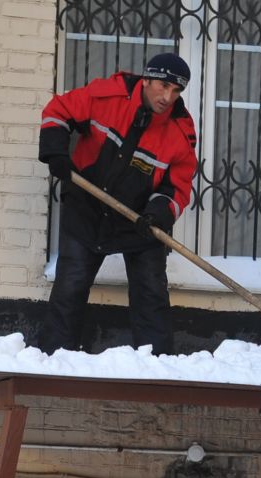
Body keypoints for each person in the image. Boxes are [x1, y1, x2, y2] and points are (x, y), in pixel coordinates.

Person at [39, 51, 198, 356]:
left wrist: (157, 212)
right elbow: (59, 110)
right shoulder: (109, 96)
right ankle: (52, 361)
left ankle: (157, 368)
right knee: (70, 285)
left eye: (176, 91)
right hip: (86, 207)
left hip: (138, 222)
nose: (168, 97)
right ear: (147, 78)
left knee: (151, 292)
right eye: (163, 86)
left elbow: (177, 186)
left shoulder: (180, 133)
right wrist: (56, 153)